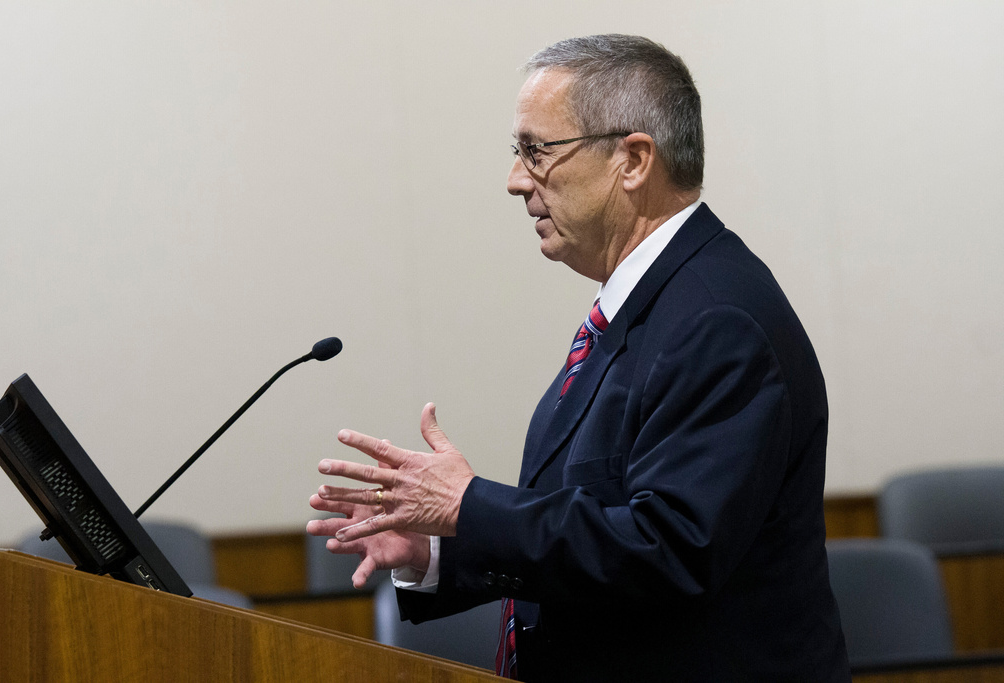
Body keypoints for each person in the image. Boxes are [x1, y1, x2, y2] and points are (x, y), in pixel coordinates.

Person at [307, 34, 850, 682]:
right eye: (518, 152)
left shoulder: (716, 320)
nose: (515, 180)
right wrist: (439, 551)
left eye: (537, 151)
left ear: (633, 159)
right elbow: (597, 528)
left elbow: (666, 549)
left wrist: (471, 507)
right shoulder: (648, 306)